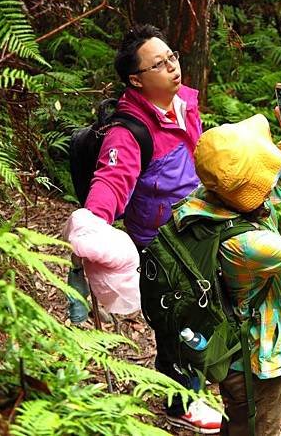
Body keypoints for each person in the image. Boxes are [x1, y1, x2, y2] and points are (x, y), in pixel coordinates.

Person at [63, 24, 221, 433]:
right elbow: (110, 181)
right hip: (163, 250)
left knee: (201, 319)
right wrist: (93, 225)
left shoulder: (184, 104)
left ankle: (196, 385)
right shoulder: (128, 132)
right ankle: (181, 402)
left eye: (172, 57)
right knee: (178, 325)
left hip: (198, 233)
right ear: (136, 79)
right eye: (159, 64)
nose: (173, 67)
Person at [170, 110, 281, 434]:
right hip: (255, 362)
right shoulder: (251, 246)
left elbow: (266, 190)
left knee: (238, 422)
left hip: (228, 346)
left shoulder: (205, 199)